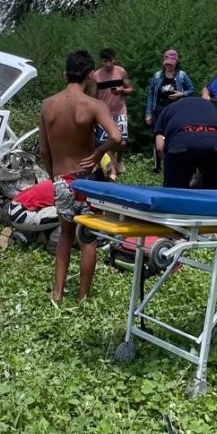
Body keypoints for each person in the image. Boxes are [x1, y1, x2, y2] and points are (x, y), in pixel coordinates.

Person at [40, 50, 122, 301]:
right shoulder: (93, 105)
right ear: (90, 75)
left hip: (61, 178)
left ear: (64, 74)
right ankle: (83, 296)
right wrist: (98, 153)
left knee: (65, 234)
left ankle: (57, 293)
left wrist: (53, 175)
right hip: (87, 179)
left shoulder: (48, 105)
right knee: (88, 238)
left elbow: (44, 149)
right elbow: (116, 138)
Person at [153, 95, 217, 189]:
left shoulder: (168, 109)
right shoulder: (211, 107)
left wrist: (169, 163)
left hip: (181, 141)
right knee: (214, 188)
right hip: (216, 142)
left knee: (175, 189)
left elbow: (159, 147)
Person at [144, 49, 195, 172]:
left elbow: (192, 90)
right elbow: (151, 94)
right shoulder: (157, 76)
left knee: (175, 136)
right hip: (159, 110)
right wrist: (149, 114)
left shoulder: (182, 75)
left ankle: (175, 162)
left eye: (171, 64)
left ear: (176, 63)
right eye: (166, 63)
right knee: (157, 136)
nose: (168, 66)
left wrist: (181, 94)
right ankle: (157, 166)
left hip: (176, 110)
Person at [92, 48, 133, 178]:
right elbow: (93, 95)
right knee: (107, 143)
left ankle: (119, 159)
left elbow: (130, 89)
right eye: (105, 61)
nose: (108, 64)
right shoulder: (97, 76)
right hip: (104, 113)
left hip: (120, 110)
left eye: (111, 60)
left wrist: (122, 90)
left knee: (122, 142)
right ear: (101, 61)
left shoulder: (120, 71)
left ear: (114, 59)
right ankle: (111, 172)